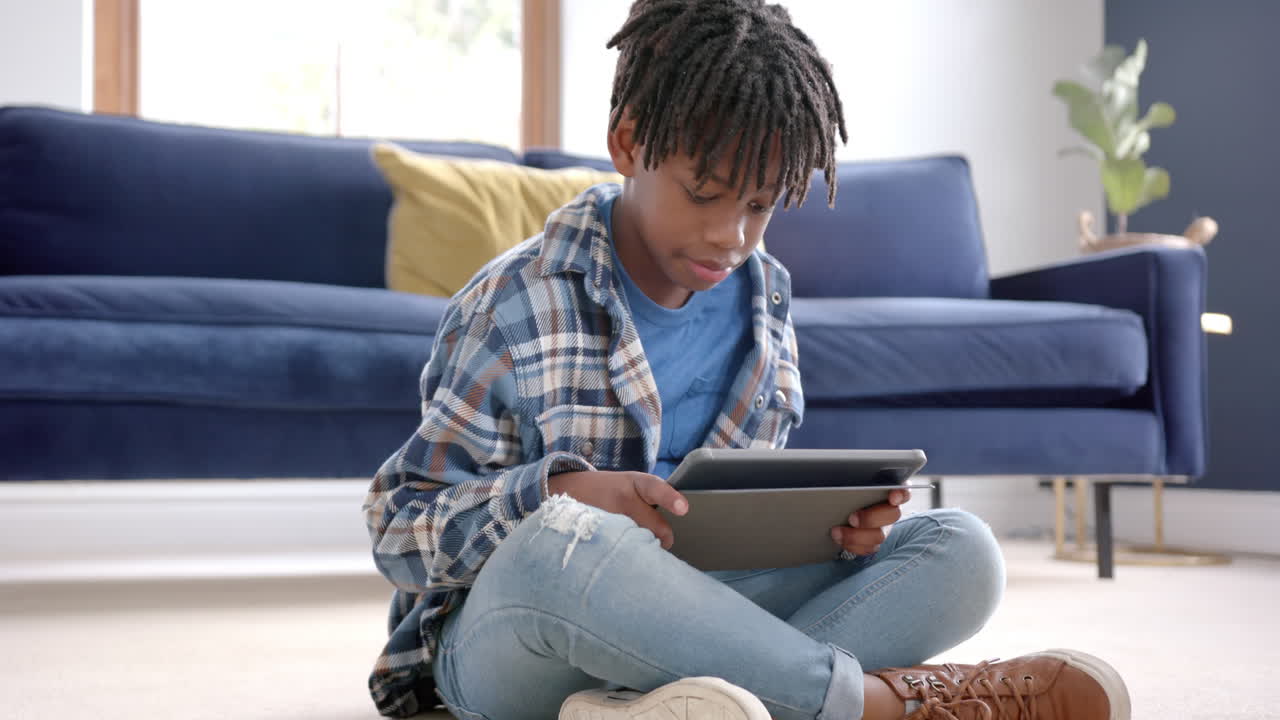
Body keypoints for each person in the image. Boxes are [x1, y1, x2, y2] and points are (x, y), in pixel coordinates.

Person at [363, 1, 1131, 718]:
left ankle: (675, 703)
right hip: (515, 640)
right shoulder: (515, 302)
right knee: (571, 548)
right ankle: (885, 705)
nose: (733, 235)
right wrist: (562, 494)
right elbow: (398, 531)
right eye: (706, 194)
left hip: (696, 614)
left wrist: (827, 533)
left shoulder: (765, 302)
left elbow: (734, 528)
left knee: (961, 548)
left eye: (760, 205)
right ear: (629, 143)